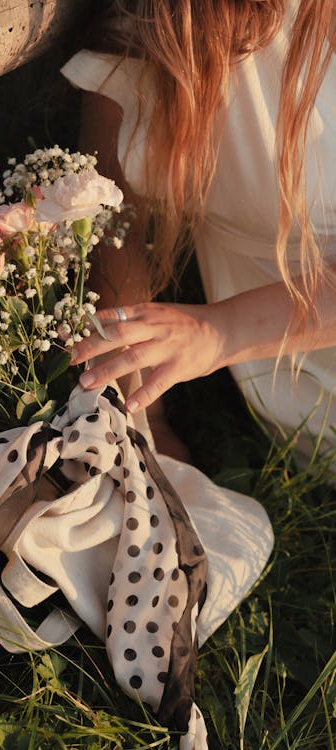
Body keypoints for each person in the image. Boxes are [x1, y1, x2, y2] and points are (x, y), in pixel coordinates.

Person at [61, 0, 335, 465]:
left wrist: (218, 330)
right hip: (293, 391)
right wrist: (144, 419)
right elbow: (113, 219)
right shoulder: (169, 23)